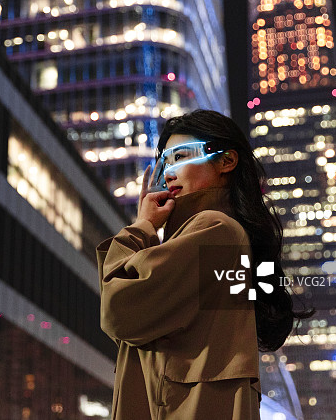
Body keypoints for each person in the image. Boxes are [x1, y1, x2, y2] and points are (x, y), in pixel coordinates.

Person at [97, 109, 311, 419]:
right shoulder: (216, 235)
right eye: (166, 162)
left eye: (181, 156)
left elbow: (118, 310)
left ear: (227, 161)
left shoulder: (215, 229)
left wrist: (142, 227)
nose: (169, 172)